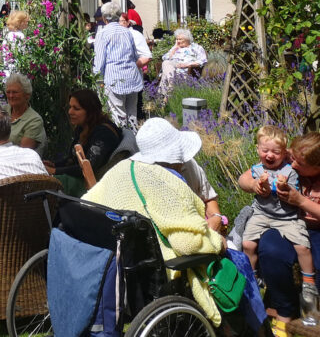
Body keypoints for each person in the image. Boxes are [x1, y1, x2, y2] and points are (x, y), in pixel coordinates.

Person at [83, 125, 228, 328]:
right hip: (161, 269)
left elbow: (87, 203)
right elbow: (187, 243)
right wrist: (216, 239)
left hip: (120, 265)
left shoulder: (120, 170)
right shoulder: (168, 183)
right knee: (237, 263)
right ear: (174, 158)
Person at [239, 127, 313, 290]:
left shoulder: (289, 170)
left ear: (284, 153)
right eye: (265, 150)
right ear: (258, 149)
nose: (270, 155)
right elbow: (243, 181)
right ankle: (252, 277)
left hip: (287, 217)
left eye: (276, 152)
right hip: (261, 214)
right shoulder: (257, 169)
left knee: (302, 246)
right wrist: (256, 185)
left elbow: (291, 192)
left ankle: (309, 282)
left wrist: (282, 185)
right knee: (247, 244)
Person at [258, 133, 320, 326]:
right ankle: (284, 307)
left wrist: (301, 201)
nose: (293, 165)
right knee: (270, 249)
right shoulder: (290, 158)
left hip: (317, 228)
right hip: (288, 222)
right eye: (293, 159)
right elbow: (246, 177)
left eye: (300, 164)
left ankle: (312, 313)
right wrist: (255, 185)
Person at [44, 89, 122, 197]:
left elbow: (88, 168)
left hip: (95, 186)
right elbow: (74, 159)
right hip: (82, 179)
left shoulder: (104, 134)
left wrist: (54, 170)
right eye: (70, 107)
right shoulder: (84, 127)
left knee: (45, 184)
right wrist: (54, 164)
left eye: (76, 108)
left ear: (90, 111)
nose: (70, 112)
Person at [92, 0, 144, 127]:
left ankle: (123, 144)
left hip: (114, 76)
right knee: (132, 115)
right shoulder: (127, 32)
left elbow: (99, 61)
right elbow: (135, 55)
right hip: (132, 75)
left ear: (104, 18)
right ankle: (133, 141)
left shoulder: (102, 34)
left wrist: (96, 78)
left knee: (118, 115)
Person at [5, 73, 47, 153]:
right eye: (8, 92)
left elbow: (23, 154)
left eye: (15, 92)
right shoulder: (2, 111)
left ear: (27, 95)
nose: (10, 96)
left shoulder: (34, 120)